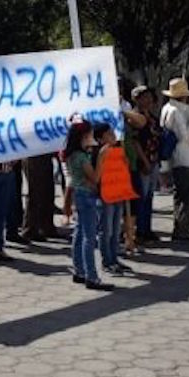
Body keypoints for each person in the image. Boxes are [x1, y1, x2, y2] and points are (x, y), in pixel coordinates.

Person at [65, 123, 113, 291]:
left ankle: (79, 270)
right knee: (89, 236)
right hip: (86, 195)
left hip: (79, 194)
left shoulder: (74, 154)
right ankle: (91, 276)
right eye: (89, 136)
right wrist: (100, 158)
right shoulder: (81, 157)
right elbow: (95, 177)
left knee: (79, 233)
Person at [160, 78, 189, 242]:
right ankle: (182, 229)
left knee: (181, 194)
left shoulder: (167, 108)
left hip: (177, 157)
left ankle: (180, 226)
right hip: (184, 156)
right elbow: (183, 136)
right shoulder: (176, 112)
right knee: (188, 193)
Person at [95, 123, 138, 274]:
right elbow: (96, 177)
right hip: (106, 197)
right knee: (106, 231)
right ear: (100, 139)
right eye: (108, 134)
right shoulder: (99, 153)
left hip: (118, 195)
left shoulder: (117, 150)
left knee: (115, 230)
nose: (113, 135)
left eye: (113, 132)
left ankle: (114, 259)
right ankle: (106, 261)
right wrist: (102, 156)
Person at [130, 86, 161, 242]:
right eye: (144, 97)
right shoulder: (135, 118)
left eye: (150, 97)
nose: (148, 100)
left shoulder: (153, 118)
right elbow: (135, 142)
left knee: (149, 196)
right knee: (141, 197)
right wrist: (144, 160)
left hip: (154, 159)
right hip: (143, 161)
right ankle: (139, 231)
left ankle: (147, 228)